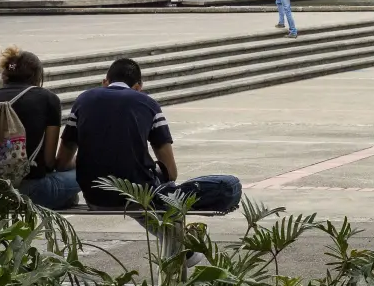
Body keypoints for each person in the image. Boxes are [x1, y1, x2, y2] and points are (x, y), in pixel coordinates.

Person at [56, 58, 241, 214]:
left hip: (94, 197)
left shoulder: (83, 100)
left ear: (105, 82)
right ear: (138, 87)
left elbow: (62, 162)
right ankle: (179, 242)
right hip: (138, 197)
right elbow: (171, 172)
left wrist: (88, 161)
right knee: (229, 184)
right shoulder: (147, 104)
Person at [0, 46, 78, 210]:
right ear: (37, 75)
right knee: (85, 174)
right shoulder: (48, 99)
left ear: (4, 74)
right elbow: (49, 162)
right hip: (27, 194)